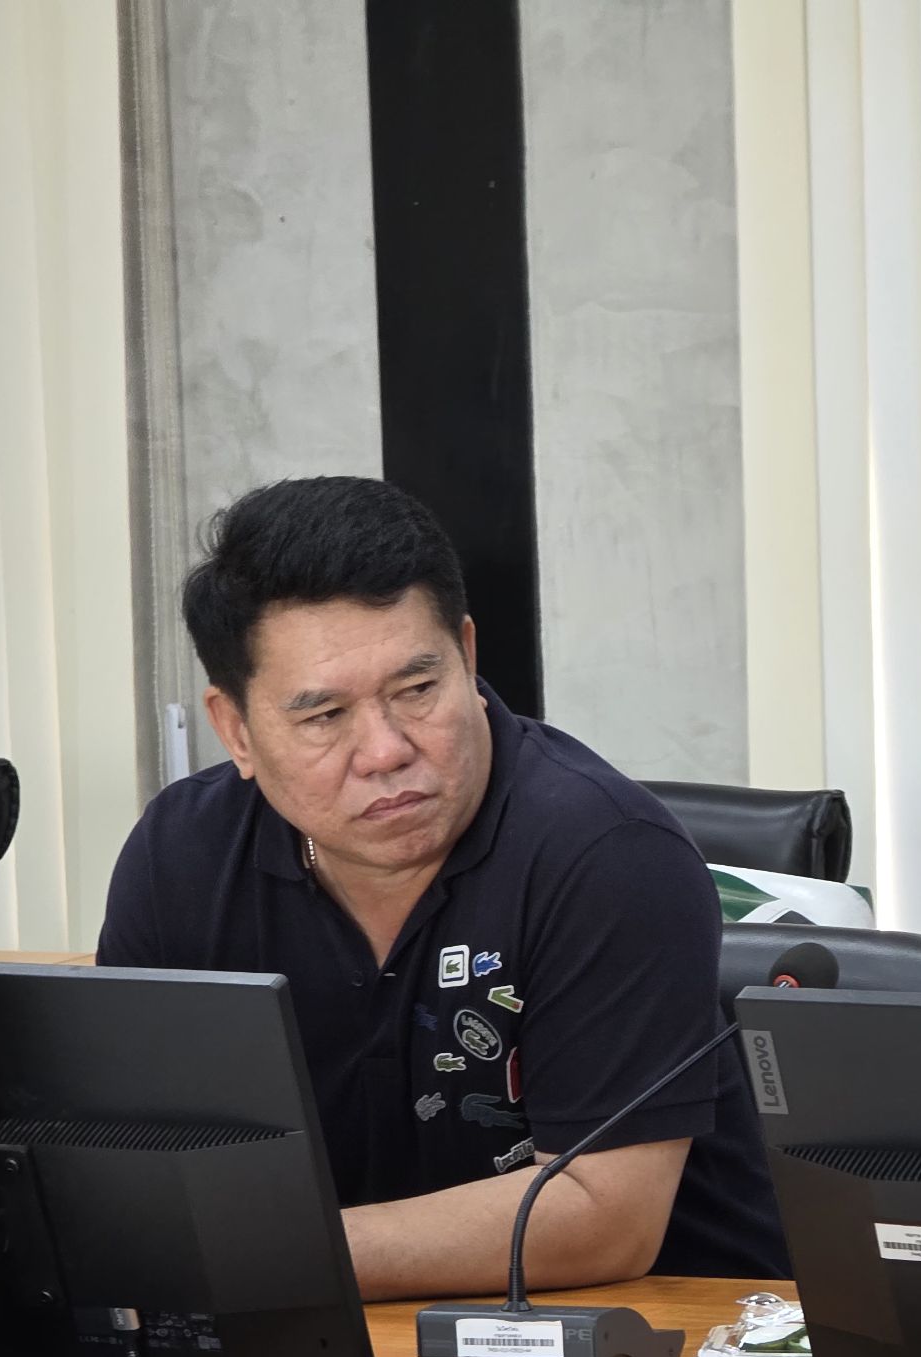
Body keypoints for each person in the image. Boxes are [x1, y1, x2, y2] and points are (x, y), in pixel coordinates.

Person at [97, 477, 784, 1299]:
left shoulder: (610, 855)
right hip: (326, 1334)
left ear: (467, 653)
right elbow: (132, 1160)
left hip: (656, 1342)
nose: (385, 750)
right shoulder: (182, 856)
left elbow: (602, 1214)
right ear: (235, 729)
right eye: (324, 716)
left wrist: (262, 1251)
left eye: (416, 690)